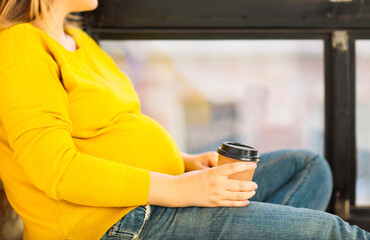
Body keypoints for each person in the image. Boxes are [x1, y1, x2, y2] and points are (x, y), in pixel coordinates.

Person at [0, 0, 369, 239]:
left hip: (156, 196)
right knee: (335, 234)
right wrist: (180, 189)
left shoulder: (79, 40)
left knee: (306, 169)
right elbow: (57, 170)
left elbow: (112, 132)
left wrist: (185, 164)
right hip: (112, 223)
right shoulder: (21, 46)